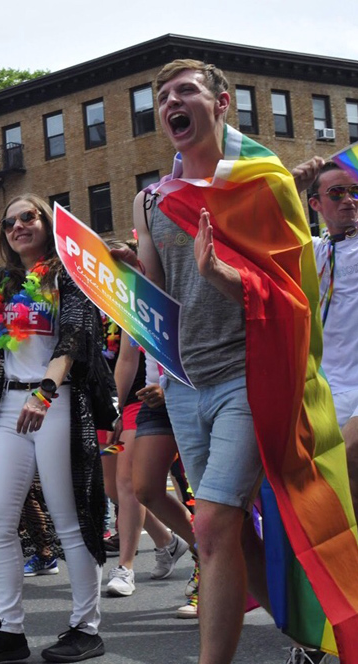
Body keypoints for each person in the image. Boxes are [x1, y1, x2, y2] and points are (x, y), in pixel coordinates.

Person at [123, 60, 358, 663]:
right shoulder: (152, 200)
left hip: (247, 379)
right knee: (220, 530)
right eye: (162, 95)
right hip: (183, 385)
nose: (170, 101)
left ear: (222, 102)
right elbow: (155, 294)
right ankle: (314, 625)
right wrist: (114, 278)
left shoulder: (264, 182)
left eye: (185, 91)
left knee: (211, 524)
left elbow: (295, 296)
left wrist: (225, 277)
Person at [0, 196, 109, 663]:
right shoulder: (5, 284)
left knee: (68, 518)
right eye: (10, 222)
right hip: (8, 404)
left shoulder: (68, 278)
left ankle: (85, 627)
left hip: (54, 401)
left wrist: (46, 392)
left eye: (27, 217)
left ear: (48, 222)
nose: (17, 226)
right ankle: (9, 631)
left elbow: (73, 339)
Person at [103, 330, 187, 599]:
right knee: (115, 488)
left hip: (151, 398)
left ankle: (124, 567)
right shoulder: (114, 301)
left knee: (128, 481)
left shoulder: (138, 294)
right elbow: (125, 358)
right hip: (120, 400)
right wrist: (113, 411)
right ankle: (167, 541)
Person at [302, 161, 358, 520]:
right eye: (336, 193)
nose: (349, 200)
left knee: (348, 452)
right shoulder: (313, 251)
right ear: (315, 205)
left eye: (354, 192)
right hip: (327, 385)